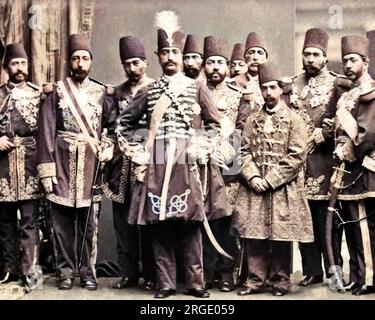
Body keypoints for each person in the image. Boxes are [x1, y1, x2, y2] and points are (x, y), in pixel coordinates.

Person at [116, 10, 231, 299]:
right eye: (164, 52)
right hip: (156, 163)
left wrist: (201, 146)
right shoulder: (149, 90)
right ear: (157, 56)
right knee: (160, 225)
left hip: (188, 163)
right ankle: (165, 283)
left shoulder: (197, 88)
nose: (170, 57)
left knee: (192, 225)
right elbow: (124, 124)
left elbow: (215, 125)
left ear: (181, 56)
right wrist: (138, 151)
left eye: (174, 52)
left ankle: (195, 283)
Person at [36, 34, 117, 290]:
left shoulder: (102, 92)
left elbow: (112, 127)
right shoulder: (56, 92)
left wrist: (108, 146)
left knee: (89, 224)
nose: (80, 63)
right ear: (69, 62)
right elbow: (47, 131)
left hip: (91, 166)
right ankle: (65, 273)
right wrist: (47, 171)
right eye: (75, 58)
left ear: (91, 62)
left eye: (85, 58)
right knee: (60, 224)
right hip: (61, 162)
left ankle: (88, 272)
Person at [232, 62, 313, 296]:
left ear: (281, 89)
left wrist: (271, 180)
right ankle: (255, 281)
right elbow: (243, 151)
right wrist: (253, 176)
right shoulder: (251, 120)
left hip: (282, 188)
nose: (268, 93)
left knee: (281, 235)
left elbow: (297, 155)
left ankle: (280, 281)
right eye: (264, 88)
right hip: (254, 186)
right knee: (254, 233)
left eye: (272, 88)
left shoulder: (294, 120)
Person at [287, 28, 343, 287]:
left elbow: (345, 118)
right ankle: (311, 270)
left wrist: (323, 134)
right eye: (306, 54)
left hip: (326, 161)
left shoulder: (337, 84)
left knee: (328, 219)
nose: (309, 59)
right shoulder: (293, 84)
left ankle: (334, 269)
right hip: (299, 164)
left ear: (324, 58)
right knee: (303, 217)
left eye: (315, 55)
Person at [102, 35, 155, 291]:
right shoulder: (116, 92)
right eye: (127, 64)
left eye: (136, 62)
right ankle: (129, 273)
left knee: (149, 219)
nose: (132, 68)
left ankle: (153, 273)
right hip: (121, 165)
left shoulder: (157, 88)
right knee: (123, 221)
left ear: (145, 62)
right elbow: (111, 127)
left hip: (149, 163)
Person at [333, 35, 375, 295]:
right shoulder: (348, 93)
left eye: (353, 60)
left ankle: (369, 278)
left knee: (364, 226)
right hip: (348, 168)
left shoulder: (370, 91)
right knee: (352, 226)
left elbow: (369, 134)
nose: (348, 65)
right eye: (345, 60)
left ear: (366, 62)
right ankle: (357, 276)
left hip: (363, 167)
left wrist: (350, 149)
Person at [0, 43, 42, 290]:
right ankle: (8, 268)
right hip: (3, 166)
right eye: (15, 63)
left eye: (23, 63)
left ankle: (30, 270)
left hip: (30, 163)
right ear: (6, 67)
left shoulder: (38, 95)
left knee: (30, 220)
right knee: (4, 220)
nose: (20, 68)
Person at [202, 35, 241, 292]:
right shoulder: (195, 90)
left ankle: (227, 272)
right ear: (204, 66)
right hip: (201, 164)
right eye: (210, 62)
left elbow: (243, 128)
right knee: (202, 219)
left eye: (220, 62)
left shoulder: (238, 94)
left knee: (226, 220)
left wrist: (226, 152)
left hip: (228, 169)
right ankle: (205, 273)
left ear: (227, 66)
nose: (215, 67)